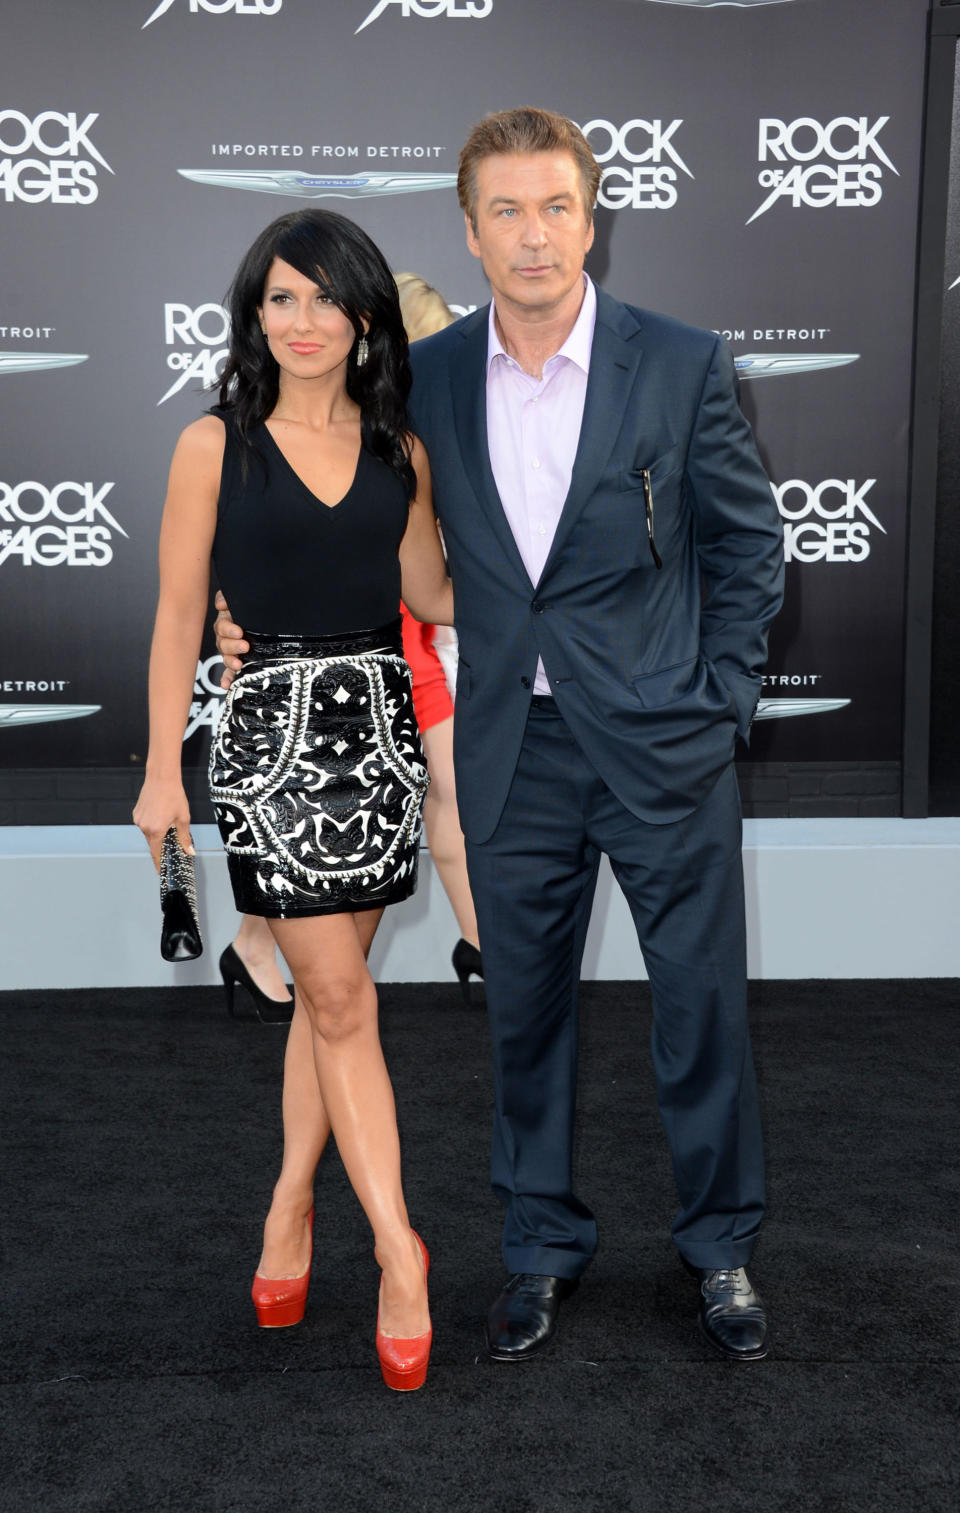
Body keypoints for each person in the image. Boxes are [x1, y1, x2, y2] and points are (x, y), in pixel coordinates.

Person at [216, 108, 785, 1365]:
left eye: (558, 208)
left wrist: (722, 700)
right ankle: (538, 1246)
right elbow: (358, 532)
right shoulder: (425, 378)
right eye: (508, 213)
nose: (536, 236)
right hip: (513, 752)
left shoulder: (683, 363)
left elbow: (748, 546)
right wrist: (237, 614)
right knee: (523, 1015)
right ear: (470, 234)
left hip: (664, 749)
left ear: (594, 219)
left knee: (701, 1009)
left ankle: (720, 1245)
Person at [134, 208, 453, 1392]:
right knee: (339, 1000)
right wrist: (164, 769)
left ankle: (287, 1205)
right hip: (267, 747)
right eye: (281, 298)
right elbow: (176, 618)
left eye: (325, 298)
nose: (304, 321)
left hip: (378, 742)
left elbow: (435, 589)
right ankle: (399, 1252)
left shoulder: (399, 448)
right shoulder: (212, 447)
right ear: (253, 315)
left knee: (334, 1001)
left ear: (366, 313)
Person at [218, 272, 481, 1024]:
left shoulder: (430, 433)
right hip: (380, 645)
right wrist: (234, 612)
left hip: (419, 635)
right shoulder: (279, 437)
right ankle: (260, 941)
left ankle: (474, 938)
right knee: (438, 791)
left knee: (442, 795)